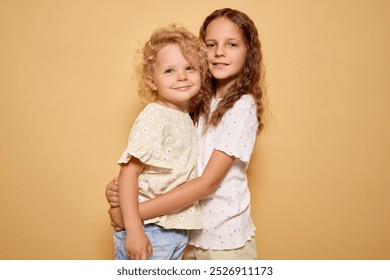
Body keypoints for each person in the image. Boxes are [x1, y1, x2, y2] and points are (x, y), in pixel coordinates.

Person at [106, 8, 266, 260]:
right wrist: (125, 190)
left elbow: (208, 183)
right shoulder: (194, 104)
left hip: (223, 239)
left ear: (249, 53)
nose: (220, 52)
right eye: (211, 44)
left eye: (232, 44)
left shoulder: (241, 106)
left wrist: (132, 213)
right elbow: (171, 165)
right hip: (185, 234)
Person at [112, 25, 210, 260]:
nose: (182, 76)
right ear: (152, 81)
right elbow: (128, 173)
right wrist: (134, 229)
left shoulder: (184, 117)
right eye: (169, 71)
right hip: (149, 228)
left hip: (173, 230)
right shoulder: (155, 116)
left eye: (190, 68)